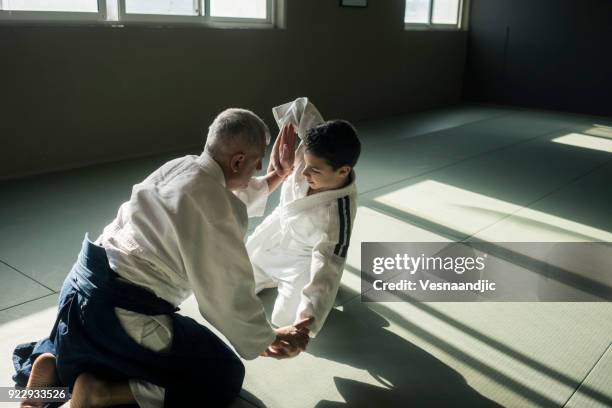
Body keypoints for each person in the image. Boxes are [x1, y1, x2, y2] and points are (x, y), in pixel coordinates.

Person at [13, 108, 312, 408]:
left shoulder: (181, 167)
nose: (260, 166)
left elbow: (221, 197)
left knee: (83, 346)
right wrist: (266, 339)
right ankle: (100, 393)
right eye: (258, 159)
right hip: (123, 311)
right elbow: (228, 296)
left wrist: (277, 176)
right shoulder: (216, 207)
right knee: (222, 372)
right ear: (237, 160)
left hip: (79, 291)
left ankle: (49, 367)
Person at [246, 97, 361, 337]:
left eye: (315, 170)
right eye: (305, 164)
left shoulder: (339, 215)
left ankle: (291, 285)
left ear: (343, 171)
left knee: (284, 320)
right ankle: (268, 277)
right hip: (275, 233)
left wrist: (306, 323)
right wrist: (281, 148)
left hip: (302, 257)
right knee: (233, 286)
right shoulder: (314, 143)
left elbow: (329, 265)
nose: (304, 172)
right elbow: (300, 107)